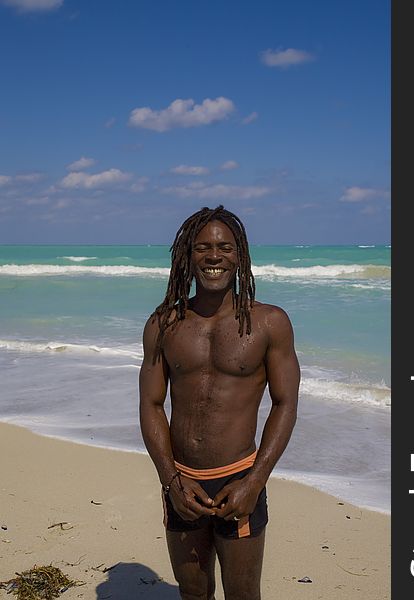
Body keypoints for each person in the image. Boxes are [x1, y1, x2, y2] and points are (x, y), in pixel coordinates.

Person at [139, 205, 300, 600]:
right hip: (181, 481)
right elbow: (151, 405)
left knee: (243, 593)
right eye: (202, 248)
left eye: (225, 247)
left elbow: (286, 404)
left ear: (240, 256)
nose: (214, 257)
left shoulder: (269, 323)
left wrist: (255, 481)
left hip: (239, 478)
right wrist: (170, 480)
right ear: (187, 257)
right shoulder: (164, 324)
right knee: (193, 591)